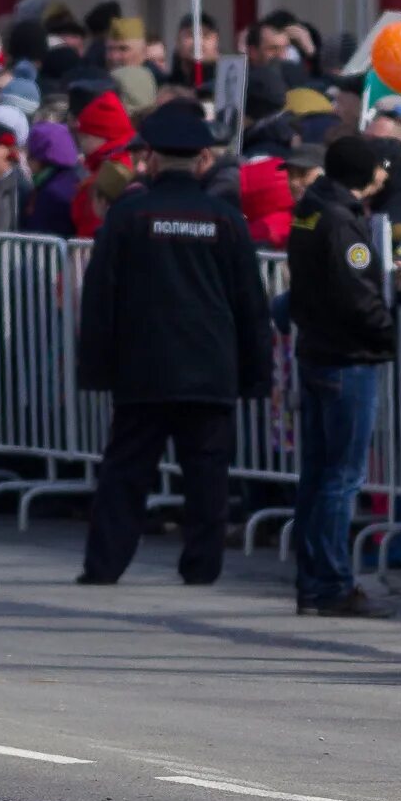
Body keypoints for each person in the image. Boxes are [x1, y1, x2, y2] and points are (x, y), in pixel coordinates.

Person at [75, 103, 271, 587]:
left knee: (125, 472)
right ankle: (202, 567)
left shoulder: (128, 215)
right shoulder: (225, 218)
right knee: (207, 474)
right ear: (204, 158)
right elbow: (250, 301)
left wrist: (96, 369)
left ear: (152, 160)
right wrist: (256, 374)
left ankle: (105, 566)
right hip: (211, 367)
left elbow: (101, 296)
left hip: (144, 368)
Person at [283, 137, 401, 618]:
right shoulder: (340, 221)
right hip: (347, 358)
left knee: (318, 476)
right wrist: (386, 330)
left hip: (318, 352)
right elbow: (357, 295)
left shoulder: (312, 209)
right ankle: (332, 583)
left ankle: (312, 582)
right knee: (341, 478)